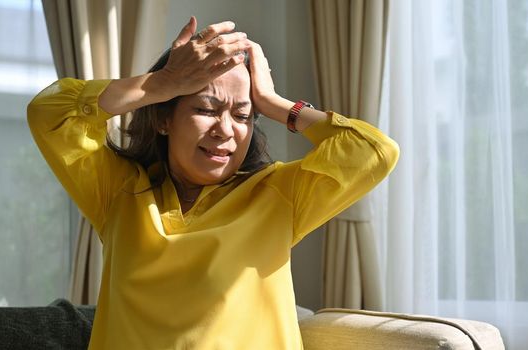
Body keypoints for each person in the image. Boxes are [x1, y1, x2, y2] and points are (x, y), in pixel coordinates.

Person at [28, 16, 399, 350]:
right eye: (205, 109)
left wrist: (272, 101)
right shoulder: (117, 191)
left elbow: (373, 151)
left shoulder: (278, 195)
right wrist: (162, 83)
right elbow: (50, 112)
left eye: (242, 115)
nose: (225, 131)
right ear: (163, 119)